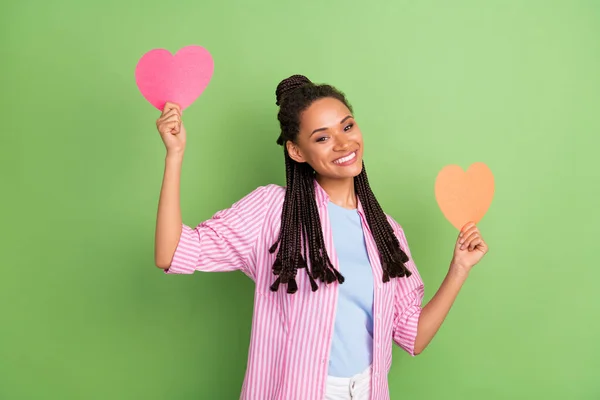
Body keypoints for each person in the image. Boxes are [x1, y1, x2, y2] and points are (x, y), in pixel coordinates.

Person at [153, 75, 488, 400]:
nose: (344, 143)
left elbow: (413, 337)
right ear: (297, 151)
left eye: (347, 126)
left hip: (367, 390)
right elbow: (173, 253)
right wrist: (175, 154)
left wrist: (459, 268)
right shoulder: (273, 211)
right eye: (322, 137)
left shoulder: (387, 232)